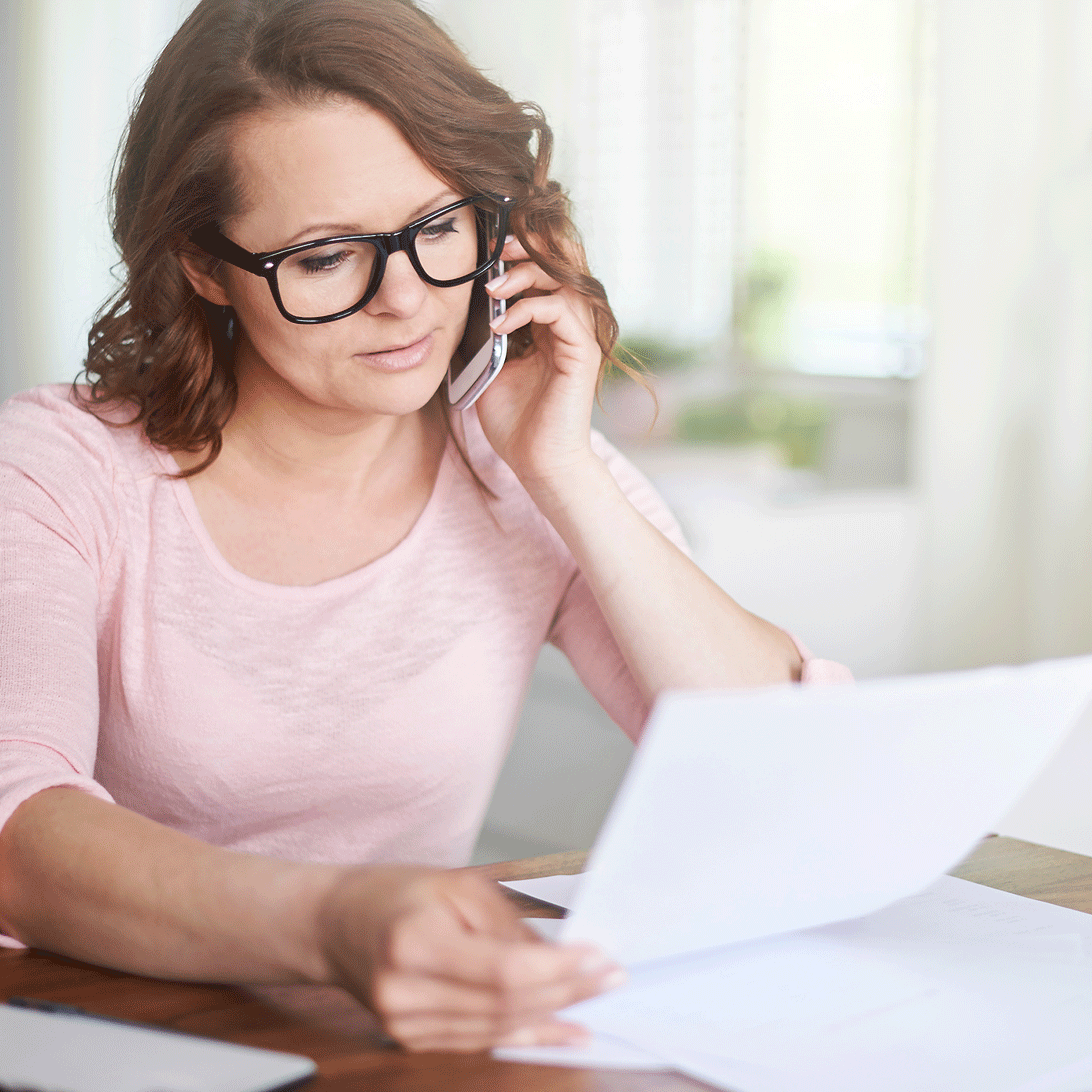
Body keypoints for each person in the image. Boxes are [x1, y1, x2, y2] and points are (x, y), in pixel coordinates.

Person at [0, 0, 849, 1055]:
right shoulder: (58, 469)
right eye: (323, 259)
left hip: (405, 1041)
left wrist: (562, 470)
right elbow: (18, 836)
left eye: (438, 228)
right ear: (203, 264)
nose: (404, 301)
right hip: (109, 1039)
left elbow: (786, 764)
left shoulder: (523, 462)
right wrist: (329, 923)